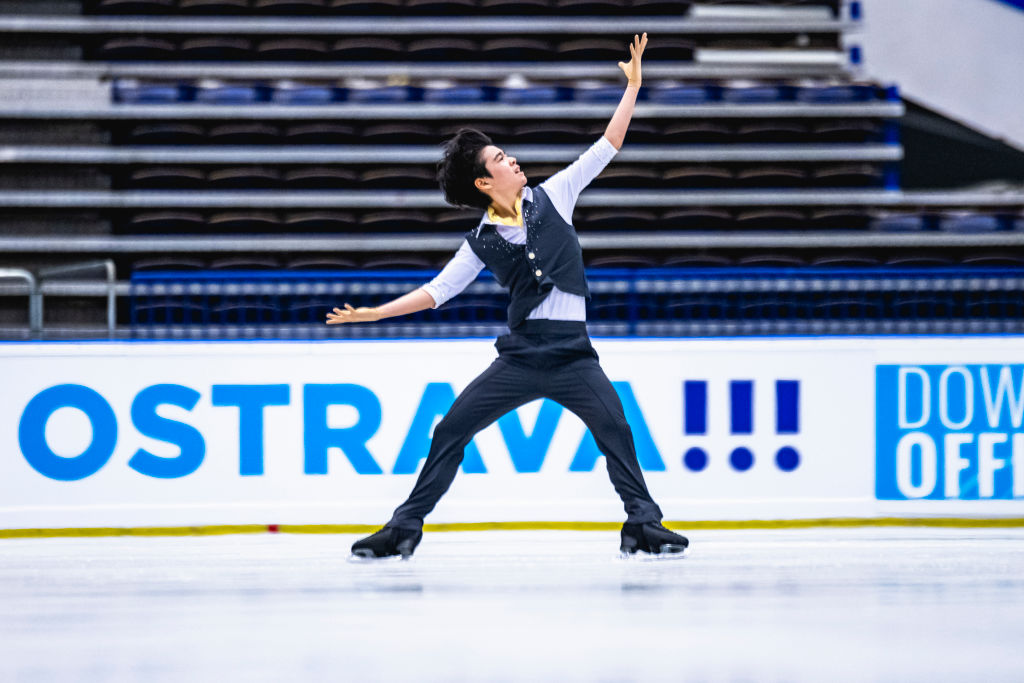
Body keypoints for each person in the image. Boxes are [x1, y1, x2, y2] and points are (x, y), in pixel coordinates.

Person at [327, 33, 688, 560]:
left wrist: (632, 87)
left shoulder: (555, 194)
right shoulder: (479, 240)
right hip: (521, 357)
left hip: (573, 355)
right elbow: (438, 291)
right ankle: (404, 527)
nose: (514, 160)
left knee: (615, 429)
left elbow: (606, 146)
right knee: (451, 428)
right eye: (500, 157)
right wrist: (376, 312)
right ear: (482, 181)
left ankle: (642, 524)